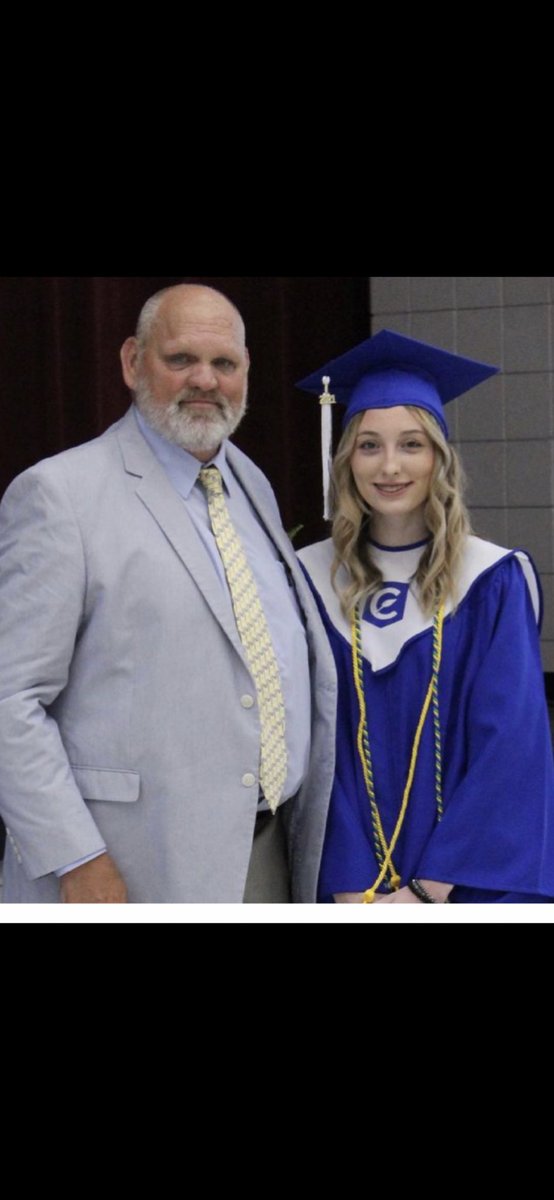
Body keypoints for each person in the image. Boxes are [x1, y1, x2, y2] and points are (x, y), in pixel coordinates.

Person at [0, 283, 337, 904]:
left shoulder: (248, 482)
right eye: (181, 359)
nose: (205, 380)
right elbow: (11, 699)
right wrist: (77, 858)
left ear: (245, 373)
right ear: (133, 362)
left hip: (265, 853)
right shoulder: (59, 496)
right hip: (125, 866)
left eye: (224, 363)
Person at [296, 328, 554, 904]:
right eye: (369, 445)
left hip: (468, 884)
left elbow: (510, 748)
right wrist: (348, 887)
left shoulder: (492, 580)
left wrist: (424, 893)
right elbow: (316, 748)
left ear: (439, 456)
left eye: (411, 444)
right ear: (345, 459)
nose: (390, 466)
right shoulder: (306, 580)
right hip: (345, 887)